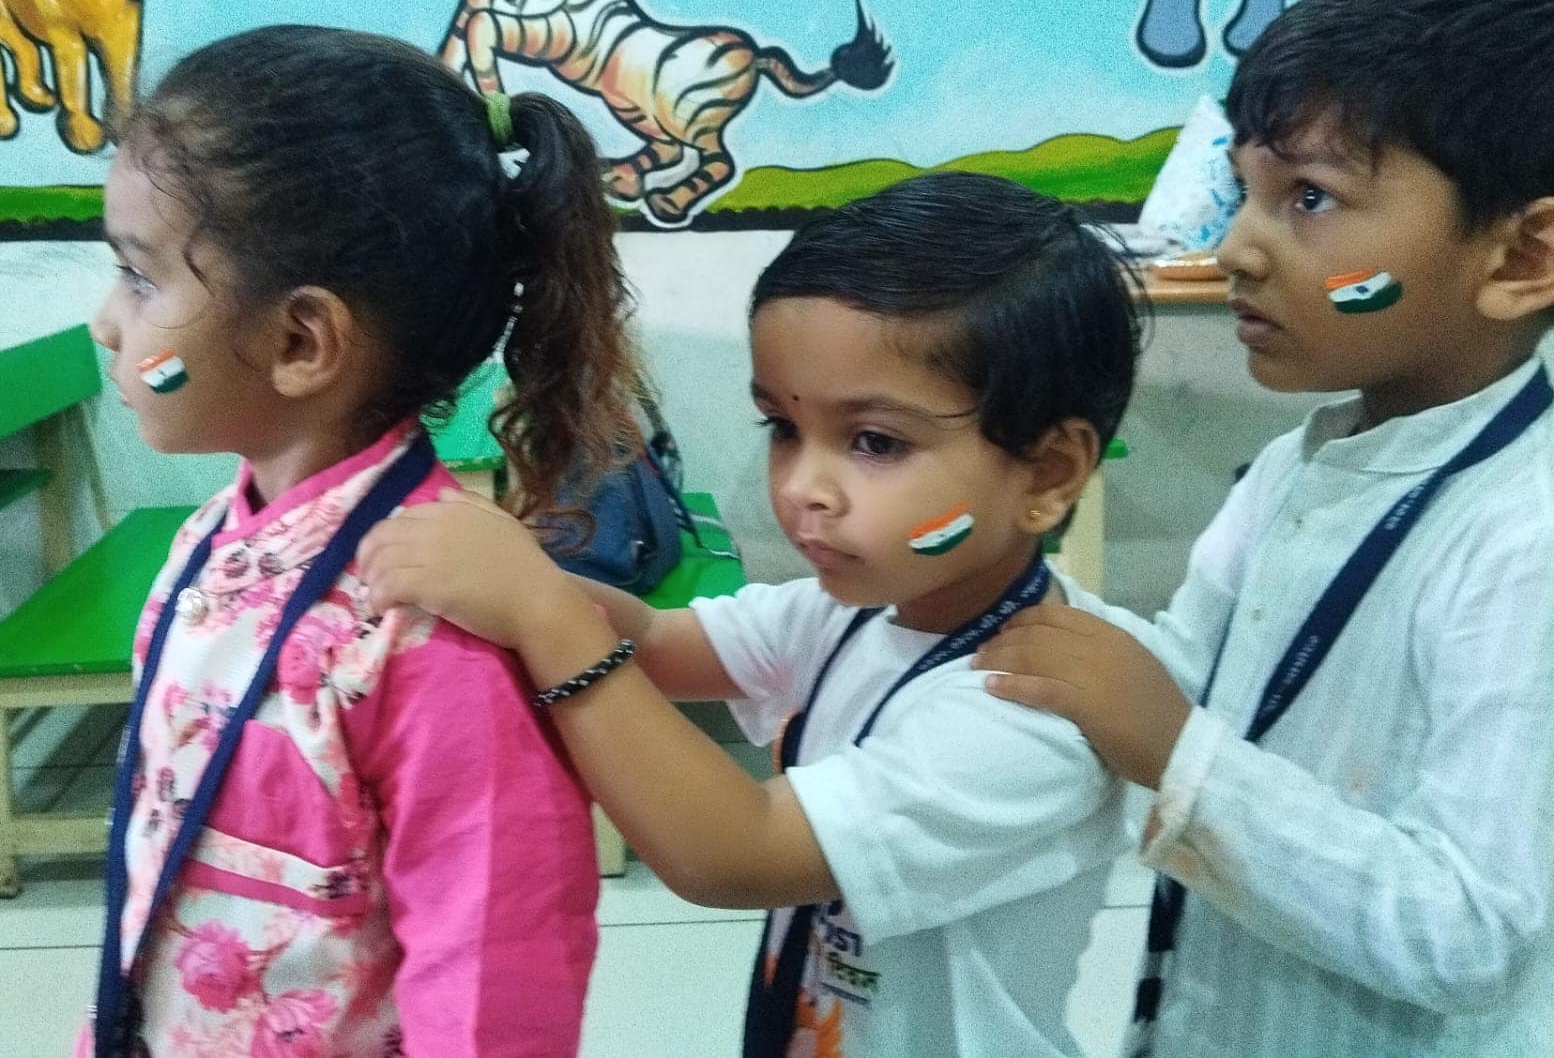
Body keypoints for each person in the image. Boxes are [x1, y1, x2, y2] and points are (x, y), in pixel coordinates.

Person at [978, 0, 1554, 1058]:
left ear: (1522, 258)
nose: (1237, 248)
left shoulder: (1541, 542)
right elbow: (1188, 671)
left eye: (1308, 198)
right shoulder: (1300, 462)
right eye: (1245, 190)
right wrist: (1001, 601)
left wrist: (1179, 754)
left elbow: (1473, 932)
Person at [358, 172, 1148, 1056]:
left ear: (1047, 473)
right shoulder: (854, 611)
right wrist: (521, 580)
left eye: (875, 441)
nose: (804, 486)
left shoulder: (1028, 715)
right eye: (783, 427)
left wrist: (545, 615)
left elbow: (734, 851)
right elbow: (660, 642)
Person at [81, 24, 633, 1057]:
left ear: (300, 340)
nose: (108, 323)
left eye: (140, 278)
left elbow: (492, 973)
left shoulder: (423, 626)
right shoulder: (209, 540)